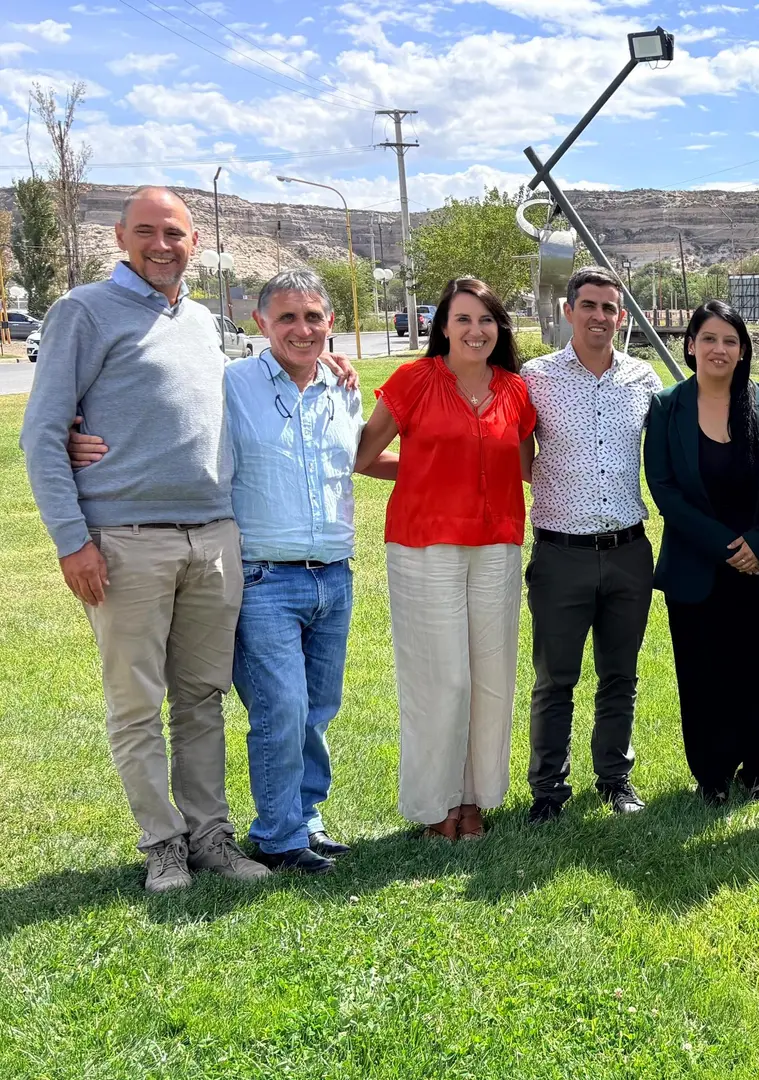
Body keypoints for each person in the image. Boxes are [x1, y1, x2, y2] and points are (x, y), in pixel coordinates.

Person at [67, 268, 388, 874]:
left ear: (331, 324)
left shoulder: (344, 389)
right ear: (259, 323)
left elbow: (357, 461)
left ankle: (306, 817)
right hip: (265, 574)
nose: (302, 329)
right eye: (286, 317)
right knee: (281, 707)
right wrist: (70, 434)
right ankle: (277, 835)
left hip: (335, 573)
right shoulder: (229, 385)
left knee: (319, 707)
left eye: (314, 317)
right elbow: (161, 415)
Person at [20, 186, 271, 891]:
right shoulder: (82, 311)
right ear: (121, 239)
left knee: (201, 699)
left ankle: (211, 838)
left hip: (213, 539)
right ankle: (162, 845)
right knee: (136, 704)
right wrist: (74, 541)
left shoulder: (200, 320)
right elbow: (42, 435)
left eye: (175, 233)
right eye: (147, 232)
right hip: (125, 541)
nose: (162, 245)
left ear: (194, 242)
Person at [356, 277, 536, 840]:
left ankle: (475, 798)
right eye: (463, 319)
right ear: (443, 327)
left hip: (498, 545)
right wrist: (421, 471)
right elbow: (363, 456)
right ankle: (436, 803)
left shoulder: (516, 390)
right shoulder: (413, 381)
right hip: (423, 543)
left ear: (498, 328)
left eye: (486, 320)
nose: (475, 331)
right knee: (441, 680)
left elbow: (526, 467)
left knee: (490, 678)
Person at [646, 301, 759, 805]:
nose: (719, 349)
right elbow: (664, 488)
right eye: (709, 339)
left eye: (730, 341)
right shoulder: (667, 406)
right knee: (702, 672)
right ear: (689, 345)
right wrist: (724, 545)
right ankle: (712, 774)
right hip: (699, 564)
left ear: (743, 351)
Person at [520, 266, 664, 823]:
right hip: (561, 553)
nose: (599, 317)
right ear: (567, 311)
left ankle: (615, 779)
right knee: (556, 677)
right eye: (589, 306)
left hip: (629, 550)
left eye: (609, 308)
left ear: (621, 316)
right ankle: (549, 790)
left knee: (620, 674)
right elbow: (515, 450)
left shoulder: (643, 379)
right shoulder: (536, 377)